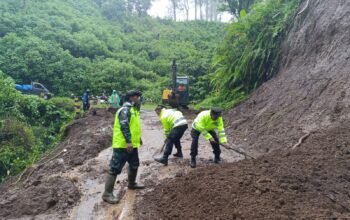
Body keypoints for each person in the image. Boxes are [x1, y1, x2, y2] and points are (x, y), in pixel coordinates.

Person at [102, 90, 144, 204]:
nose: (139, 99)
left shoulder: (133, 109)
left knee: (134, 164)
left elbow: (133, 126)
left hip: (132, 145)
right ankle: (107, 194)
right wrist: (129, 141)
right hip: (122, 145)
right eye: (138, 97)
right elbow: (124, 126)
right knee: (115, 169)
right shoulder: (125, 110)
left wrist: (138, 138)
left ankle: (131, 183)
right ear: (132, 98)